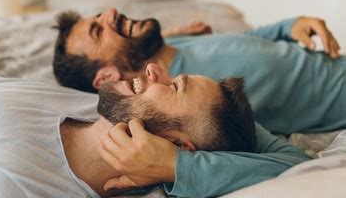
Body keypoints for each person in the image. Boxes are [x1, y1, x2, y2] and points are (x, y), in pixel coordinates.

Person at [0, 14, 309, 198]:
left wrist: (179, 168)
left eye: (173, 87)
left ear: (177, 144)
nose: (155, 69)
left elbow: (296, 169)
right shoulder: (106, 103)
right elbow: (294, 161)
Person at [52, 8, 346, 135]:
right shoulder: (192, 100)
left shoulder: (165, 46)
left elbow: (244, 43)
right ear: (106, 77)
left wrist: (289, 26)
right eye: (98, 30)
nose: (111, 13)